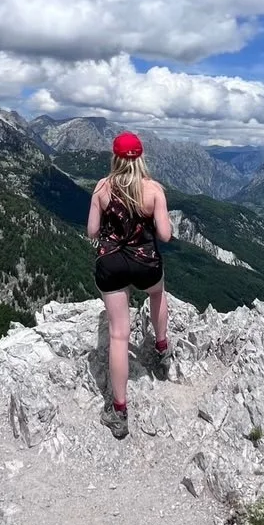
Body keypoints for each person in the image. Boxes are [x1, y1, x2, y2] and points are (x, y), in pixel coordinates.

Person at [86, 131, 173, 439]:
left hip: (111, 264)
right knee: (157, 293)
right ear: (141, 157)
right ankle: (161, 347)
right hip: (146, 262)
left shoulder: (101, 188)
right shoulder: (153, 190)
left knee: (119, 335)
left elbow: (92, 230)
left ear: (115, 157)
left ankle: (119, 412)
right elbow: (164, 234)